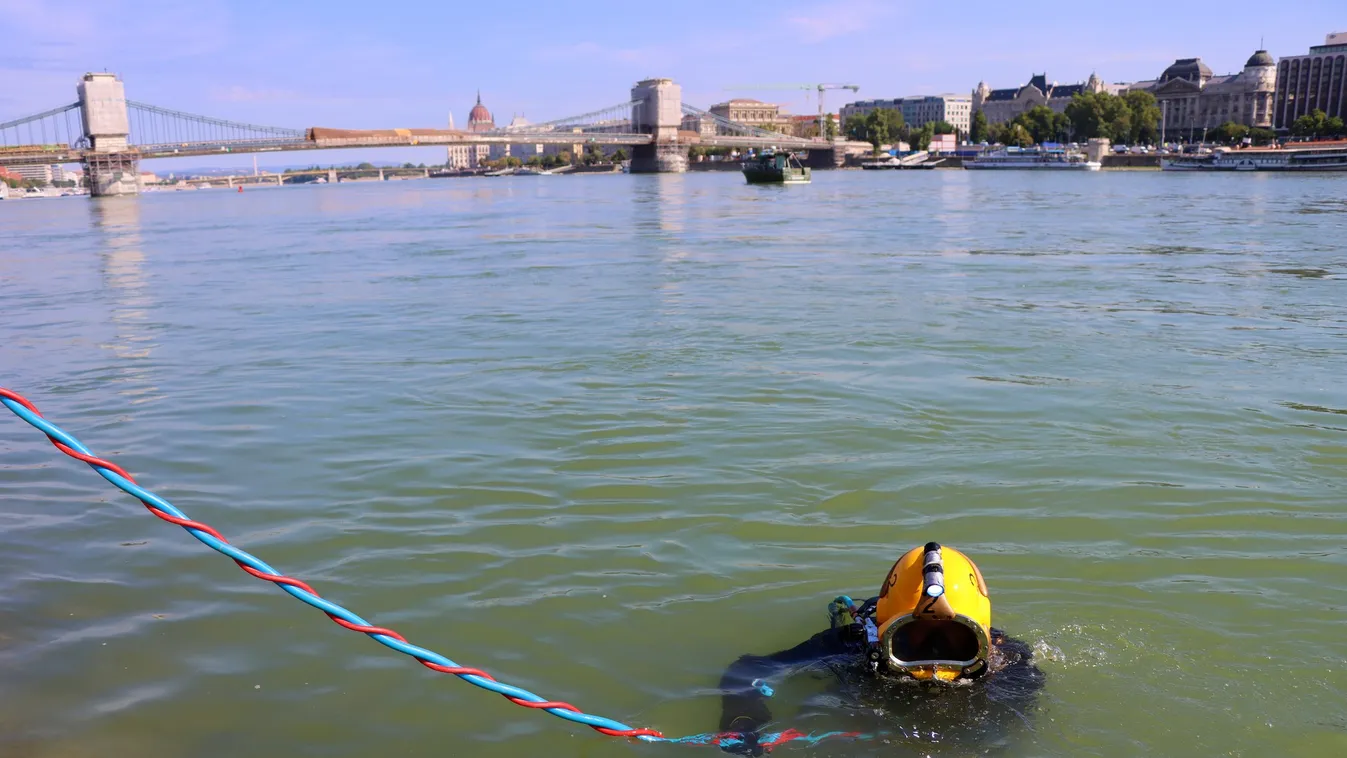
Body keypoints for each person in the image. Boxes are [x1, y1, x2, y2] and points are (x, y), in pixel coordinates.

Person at [717, 542, 1044, 755]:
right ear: (883, 635)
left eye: (954, 641)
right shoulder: (853, 643)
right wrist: (744, 719)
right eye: (913, 639)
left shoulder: (1010, 661)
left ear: (984, 641)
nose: (933, 660)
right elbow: (750, 669)